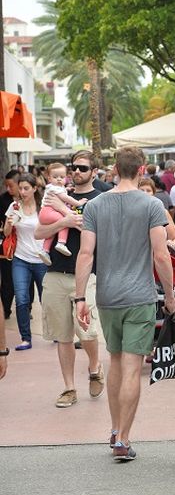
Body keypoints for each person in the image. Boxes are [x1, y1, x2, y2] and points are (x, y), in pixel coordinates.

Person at [75, 146, 175, 462]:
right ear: (143, 169)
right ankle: (124, 438)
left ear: (115, 169)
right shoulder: (151, 205)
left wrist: (80, 296)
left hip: (107, 296)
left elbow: (86, 254)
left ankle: (115, 428)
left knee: (115, 361)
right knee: (132, 366)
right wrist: (170, 295)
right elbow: (161, 254)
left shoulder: (95, 206)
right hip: (140, 296)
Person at [35, 150, 105, 409]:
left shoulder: (101, 200)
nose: (76, 172)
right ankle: (68, 387)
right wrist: (64, 221)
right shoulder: (56, 195)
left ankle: (95, 367)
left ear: (94, 172)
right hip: (54, 271)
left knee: (87, 331)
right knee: (62, 336)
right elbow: (38, 232)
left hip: (86, 276)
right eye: (73, 167)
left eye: (83, 168)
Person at [4, 173, 49, 351]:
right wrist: (10, 221)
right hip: (20, 259)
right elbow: (7, 233)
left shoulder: (43, 207)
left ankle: (54, 332)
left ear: (34, 189)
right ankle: (25, 338)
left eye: (26, 188)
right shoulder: (14, 206)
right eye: (20, 188)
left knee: (46, 298)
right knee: (22, 299)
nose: (22, 192)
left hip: (41, 258)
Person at [36, 162, 87, 265]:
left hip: (45, 214)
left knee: (54, 230)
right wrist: (78, 203)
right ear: (49, 178)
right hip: (49, 212)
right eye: (55, 177)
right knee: (65, 222)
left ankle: (45, 250)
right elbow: (65, 197)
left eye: (62, 177)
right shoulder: (54, 188)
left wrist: (66, 190)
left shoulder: (55, 188)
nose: (59, 179)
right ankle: (61, 242)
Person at [139, 178, 175, 248]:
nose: (145, 193)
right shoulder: (129, 212)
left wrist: (172, 244)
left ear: (153, 194)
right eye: (141, 190)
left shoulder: (162, 212)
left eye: (148, 190)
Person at [1, 170, 20, 318]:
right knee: (7, 278)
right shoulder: (3, 200)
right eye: (6, 186)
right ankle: (5, 309)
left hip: (25, 246)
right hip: (7, 245)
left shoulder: (30, 200)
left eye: (11, 186)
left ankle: (26, 308)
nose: (8, 189)